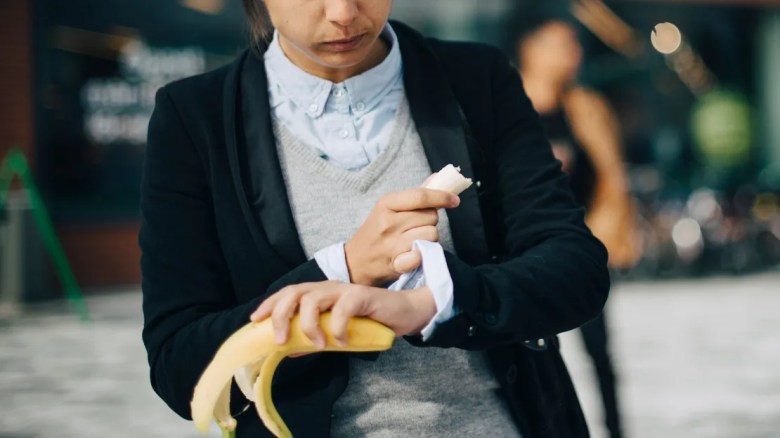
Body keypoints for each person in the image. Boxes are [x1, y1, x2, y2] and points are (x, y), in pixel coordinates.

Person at [140, 1, 610, 436]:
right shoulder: (194, 118)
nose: (344, 13)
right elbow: (180, 368)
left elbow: (576, 269)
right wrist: (344, 268)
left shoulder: (475, 77)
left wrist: (435, 302)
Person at [516, 14, 642, 438]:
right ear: (529, 49)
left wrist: (614, 230)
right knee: (535, 351)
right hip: (526, 249)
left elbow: (610, 175)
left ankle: (615, 431)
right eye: (559, 44)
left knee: (600, 352)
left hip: (583, 244)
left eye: (574, 46)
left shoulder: (586, 107)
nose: (572, 55)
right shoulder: (506, 107)